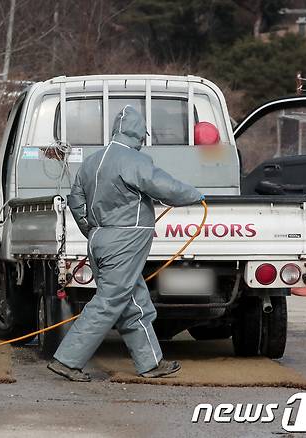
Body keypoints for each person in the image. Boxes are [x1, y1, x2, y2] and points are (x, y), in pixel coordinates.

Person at [47, 105, 204, 382]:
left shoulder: (92, 161)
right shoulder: (133, 161)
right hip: (125, 244)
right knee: (108, 302)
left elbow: (75, 200)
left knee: (134, 303)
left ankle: (150, 363)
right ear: (138, 133)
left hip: (99, 239)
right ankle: (67, 360)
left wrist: (91, 229)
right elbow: (164, 187)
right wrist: (195, 194)